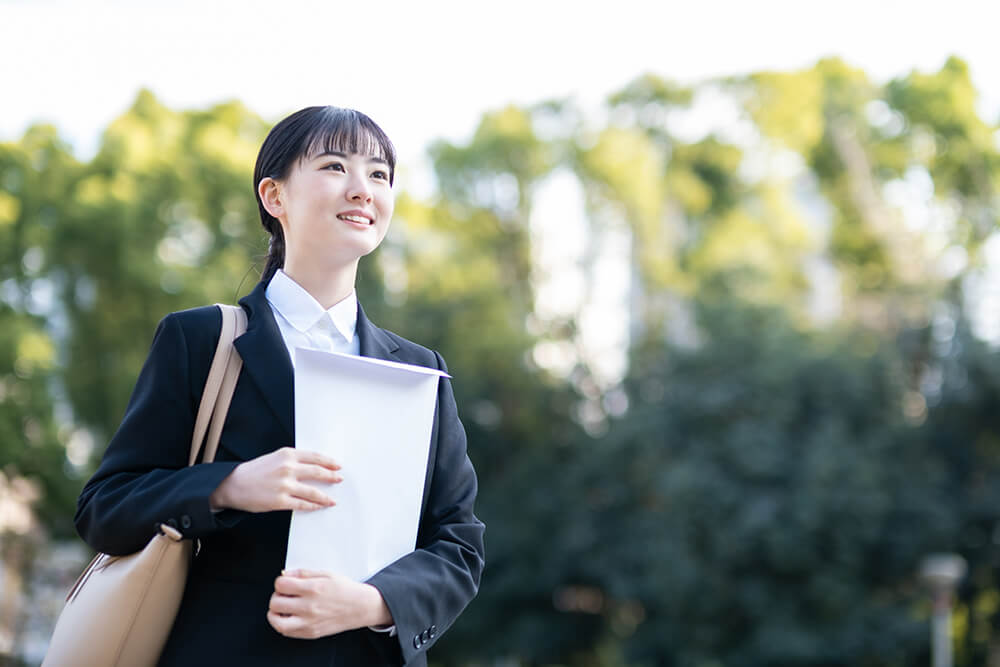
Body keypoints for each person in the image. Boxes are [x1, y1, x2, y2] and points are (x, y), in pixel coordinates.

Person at [74, 106, 485, 666]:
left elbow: (458, 545)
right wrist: (228, 487)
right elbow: (104, 508)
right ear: (274, 196)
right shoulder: (201, 340)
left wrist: (372, 602)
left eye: (380, 174)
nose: (363, 189)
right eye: (336, 166)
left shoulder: (420, 373)